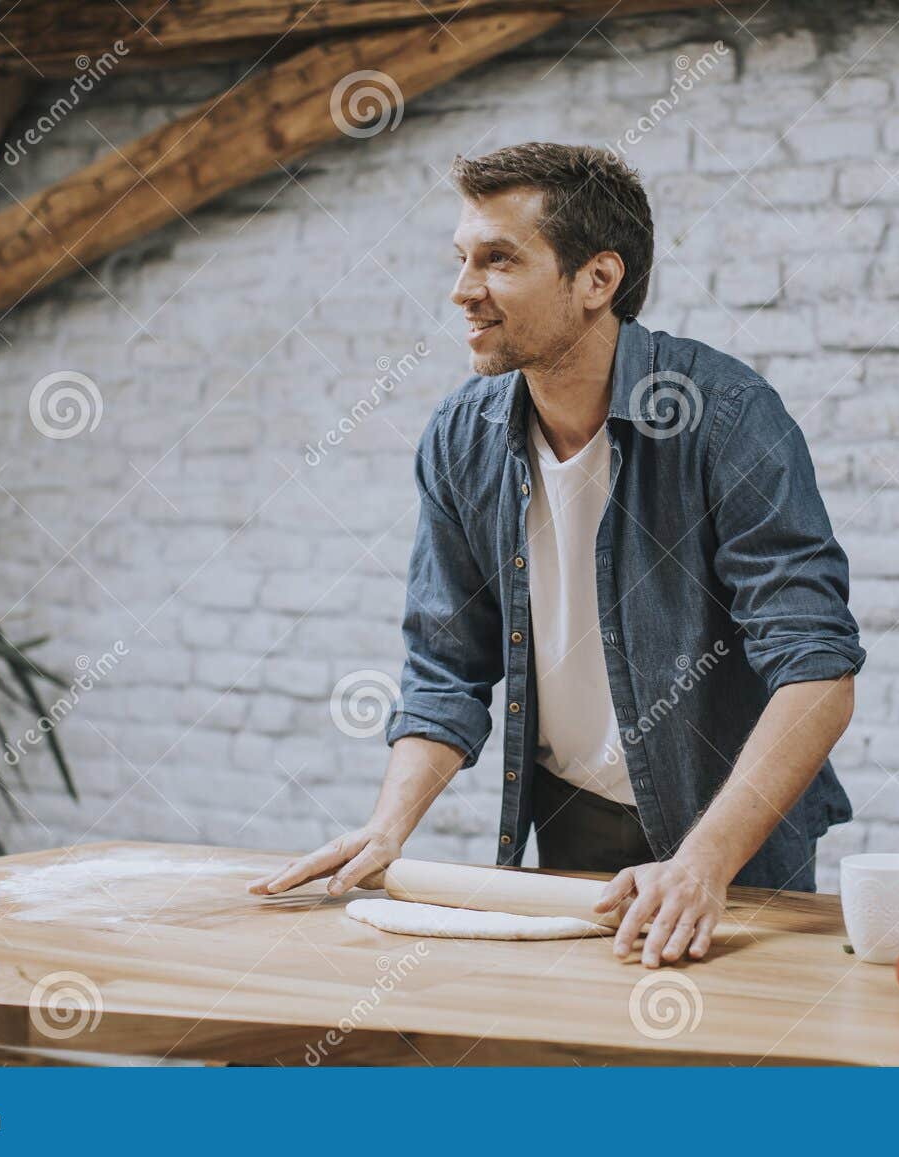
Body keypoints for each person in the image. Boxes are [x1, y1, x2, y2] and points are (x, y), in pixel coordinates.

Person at [249, 142, 863, 968]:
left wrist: (705, 863)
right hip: (569, 820)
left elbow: (817, 671)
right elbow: (446, 666)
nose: (463, 289)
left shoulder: (724, 417)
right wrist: (386, 827)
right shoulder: (461, 438)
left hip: (731, 832)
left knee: (729, 1071)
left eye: (499, 260)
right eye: (463, 258)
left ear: (597, 281)